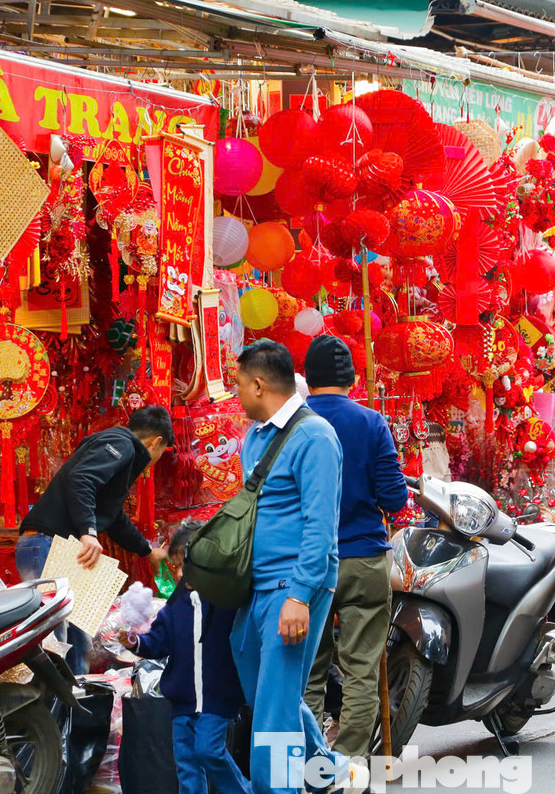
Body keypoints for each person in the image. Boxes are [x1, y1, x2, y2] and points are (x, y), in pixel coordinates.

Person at [227, 341, 346, 794]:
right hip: (254, 587)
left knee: (274, 711)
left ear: (259, 384)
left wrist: (299, 595)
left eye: (239, 385)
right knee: (266, 695)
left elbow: (321, 526)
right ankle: (326, 771)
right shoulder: (254, 437)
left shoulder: (315, 437)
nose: (236, 395)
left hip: (293, 585)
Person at [301, 336, 409, 758]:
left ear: (307, 378)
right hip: (363, 558)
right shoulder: (370, 422)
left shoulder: (295, 424)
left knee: (308, 670)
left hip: (308, 564)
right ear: (350, 378)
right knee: (361, 670)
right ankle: (348, 763)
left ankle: (308, 760)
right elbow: (395, 498)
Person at [18, 405, 174, 673]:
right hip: (50, 546)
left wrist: (147, 551)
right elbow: (82, 479)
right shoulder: (122, 443)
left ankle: (72, 713)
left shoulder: (117, 448)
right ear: (156, 442)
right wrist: (88, 532)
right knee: (58, 649)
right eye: (162, 453)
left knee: (77, 648)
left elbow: (113, 517)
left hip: (52, 548)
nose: (157, 459)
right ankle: (55, 713)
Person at [124, 522, 251, 794]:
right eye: (177, 567)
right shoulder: (174, 607)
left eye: (186, 565)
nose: (180, 573)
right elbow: (157, 642)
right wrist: (135, 642)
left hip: (217, 698)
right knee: (187, 764)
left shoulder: (226, 601)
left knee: (209, 750)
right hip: (182, 701)